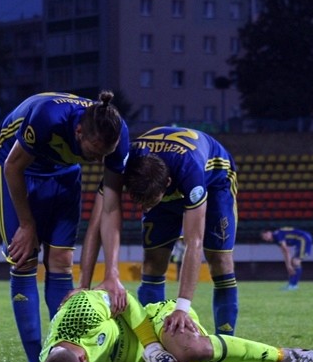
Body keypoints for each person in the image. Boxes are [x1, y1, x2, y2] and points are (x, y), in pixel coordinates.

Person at [0, 90, 130, 362]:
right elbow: (13, 166)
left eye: (105, 154)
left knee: (62, 261)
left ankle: (64, 358)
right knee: (24, 259)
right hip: (18, 168)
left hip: (64, 174)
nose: (100, 160)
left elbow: (110, 207)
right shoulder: (47, 118)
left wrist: (112, 272)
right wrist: (27, 224)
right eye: (95, 151)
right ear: (78, 131)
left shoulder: (116, 134)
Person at [81, 126, 239, 337]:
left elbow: (194, 242)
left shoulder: (190, 171)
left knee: (220, 261)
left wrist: (182, 307)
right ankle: (153, 340)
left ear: (168, 184)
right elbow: (98, 220)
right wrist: (83, 285)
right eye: (139, 202)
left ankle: (225, 339)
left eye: (148, 201)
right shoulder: (124, 162)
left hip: (215, 181)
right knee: (152, 262)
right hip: (163, 183)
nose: (144, 207)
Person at [40, 290, 313, 362]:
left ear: (81, 357)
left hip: (153, 324)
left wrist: (152, 347)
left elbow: (127, 301)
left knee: (193, 349)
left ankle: (287, 356)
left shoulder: (80, 313)